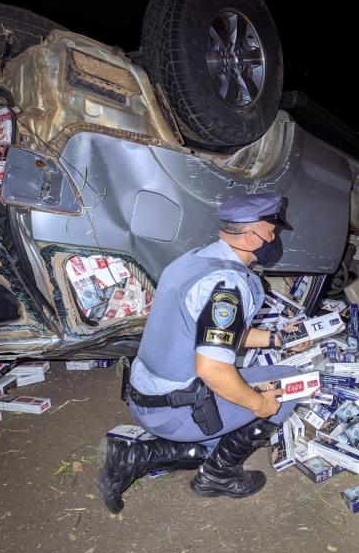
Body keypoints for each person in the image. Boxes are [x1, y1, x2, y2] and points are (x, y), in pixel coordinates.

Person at [98, 193, 309, 513]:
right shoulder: (228, 284)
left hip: (146, 396)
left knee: (222, 431)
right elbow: (213, 369)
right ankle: (218, 476)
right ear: (252, 238)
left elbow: (212, 335)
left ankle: (135, 456)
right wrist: (259, 403)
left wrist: (276, 340)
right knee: (290, 385)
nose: (274, 239)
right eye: (271, 232)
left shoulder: (193, 260)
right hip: (173, 408)